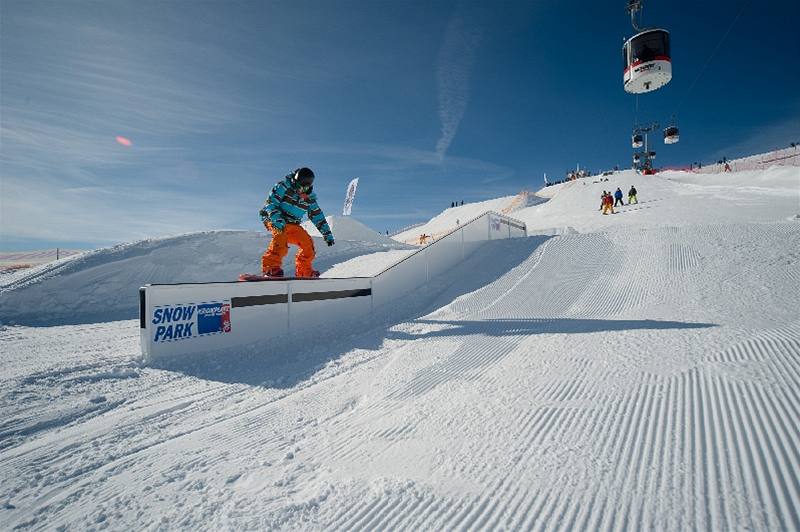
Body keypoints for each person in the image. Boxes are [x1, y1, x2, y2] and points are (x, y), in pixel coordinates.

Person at [259, 167, 334, 278]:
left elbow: (318, 217)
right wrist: (276, 218)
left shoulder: (309, 199)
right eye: (298, 187)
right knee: (280, 239)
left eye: (304, 189)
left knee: (308, 244)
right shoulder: (283, 186)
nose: (300, 191)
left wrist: (327, 234)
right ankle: (270, 268)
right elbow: (271, 203)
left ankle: (304, 272)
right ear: (295, 181)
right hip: (275, 218)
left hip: (293, 224)